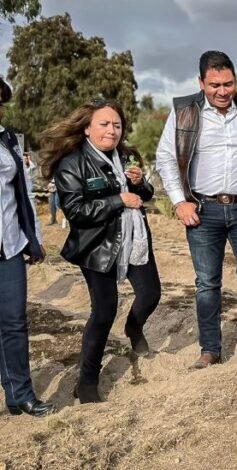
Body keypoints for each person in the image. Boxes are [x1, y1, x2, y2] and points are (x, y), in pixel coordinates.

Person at [156, 50, 237, 369]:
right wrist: (178, 201)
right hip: (202, 210)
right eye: (214, 85)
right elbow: (166, 158)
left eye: (228, 84)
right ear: (201, 82)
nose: (222, 91)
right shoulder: (184, 111)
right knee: (207, 283)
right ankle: (209, 349)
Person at [39, 100, 161, 404]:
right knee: (104, 311)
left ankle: (134, 327)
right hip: (98, 246)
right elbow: (76, 211)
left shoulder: (124, 156)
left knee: (151, 295)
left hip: (134, 239)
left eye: (117, 125)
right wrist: (119, 200)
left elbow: (145, 196)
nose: (112, 130)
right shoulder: (73, 163)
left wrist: (140, 184)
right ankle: (87, 382)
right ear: (87, 128)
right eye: (105, 124)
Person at [0, 77, 55, 417]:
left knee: (14, 322)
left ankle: (20, 393)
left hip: (7, 245)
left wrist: (33, 238)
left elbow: (22, 193)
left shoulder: (7, 140)